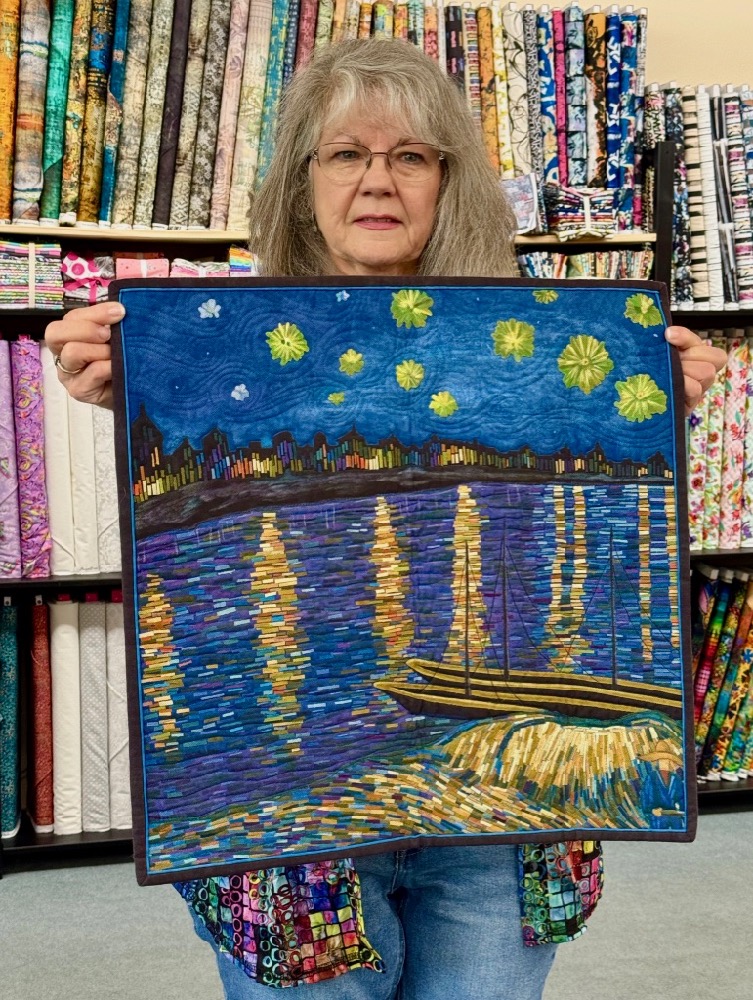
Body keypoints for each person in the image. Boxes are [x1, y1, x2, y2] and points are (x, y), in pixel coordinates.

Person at [46, 37, 727, 1000]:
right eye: (345, 153)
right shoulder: (206, 342)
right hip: (292, 852)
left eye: (410, 154)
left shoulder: (544, 337)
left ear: (448, 181)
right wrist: (121, 381)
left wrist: (660, 400)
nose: (377, 179)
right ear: (302, 182)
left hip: (503, 836)